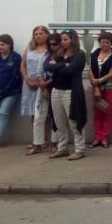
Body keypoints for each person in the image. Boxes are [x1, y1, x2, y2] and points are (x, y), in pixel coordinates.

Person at [44, 29, 88, 160]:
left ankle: (80, 149)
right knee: (59, 121)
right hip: (56, 90)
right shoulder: (59, 54)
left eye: (65, 39)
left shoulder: (80, 54)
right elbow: (46, 66)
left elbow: (71, 70)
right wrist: (63, 64)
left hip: (71, 91)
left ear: (72, 40)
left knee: (74, 121)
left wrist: (57, 65)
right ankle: (62, 148)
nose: (62, 42)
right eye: (61, 39)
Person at [88, 30, 112, 149]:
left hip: (110, 87)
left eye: (107, 42)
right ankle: (97, 138)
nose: (105, 44)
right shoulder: (94, 53)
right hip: (96, 88)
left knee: (107, 112)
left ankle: (105, 138)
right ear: (99, 42)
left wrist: (100, 80)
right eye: (102, 42)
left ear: (111, 43)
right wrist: (95, 84)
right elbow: (91, 70)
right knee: (97, 113)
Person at [20, 25, 50, 156]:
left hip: (43, 84)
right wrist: (27, 79)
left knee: (44, 114)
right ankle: (36, 140)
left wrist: (41, 83)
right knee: (33, 113)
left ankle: (45, 139)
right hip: (29, 84)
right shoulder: (29, 48)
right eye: (36, 34)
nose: (38, 36)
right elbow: (22, 65)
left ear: (46, 35)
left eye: (41, 33)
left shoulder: (50, 50)